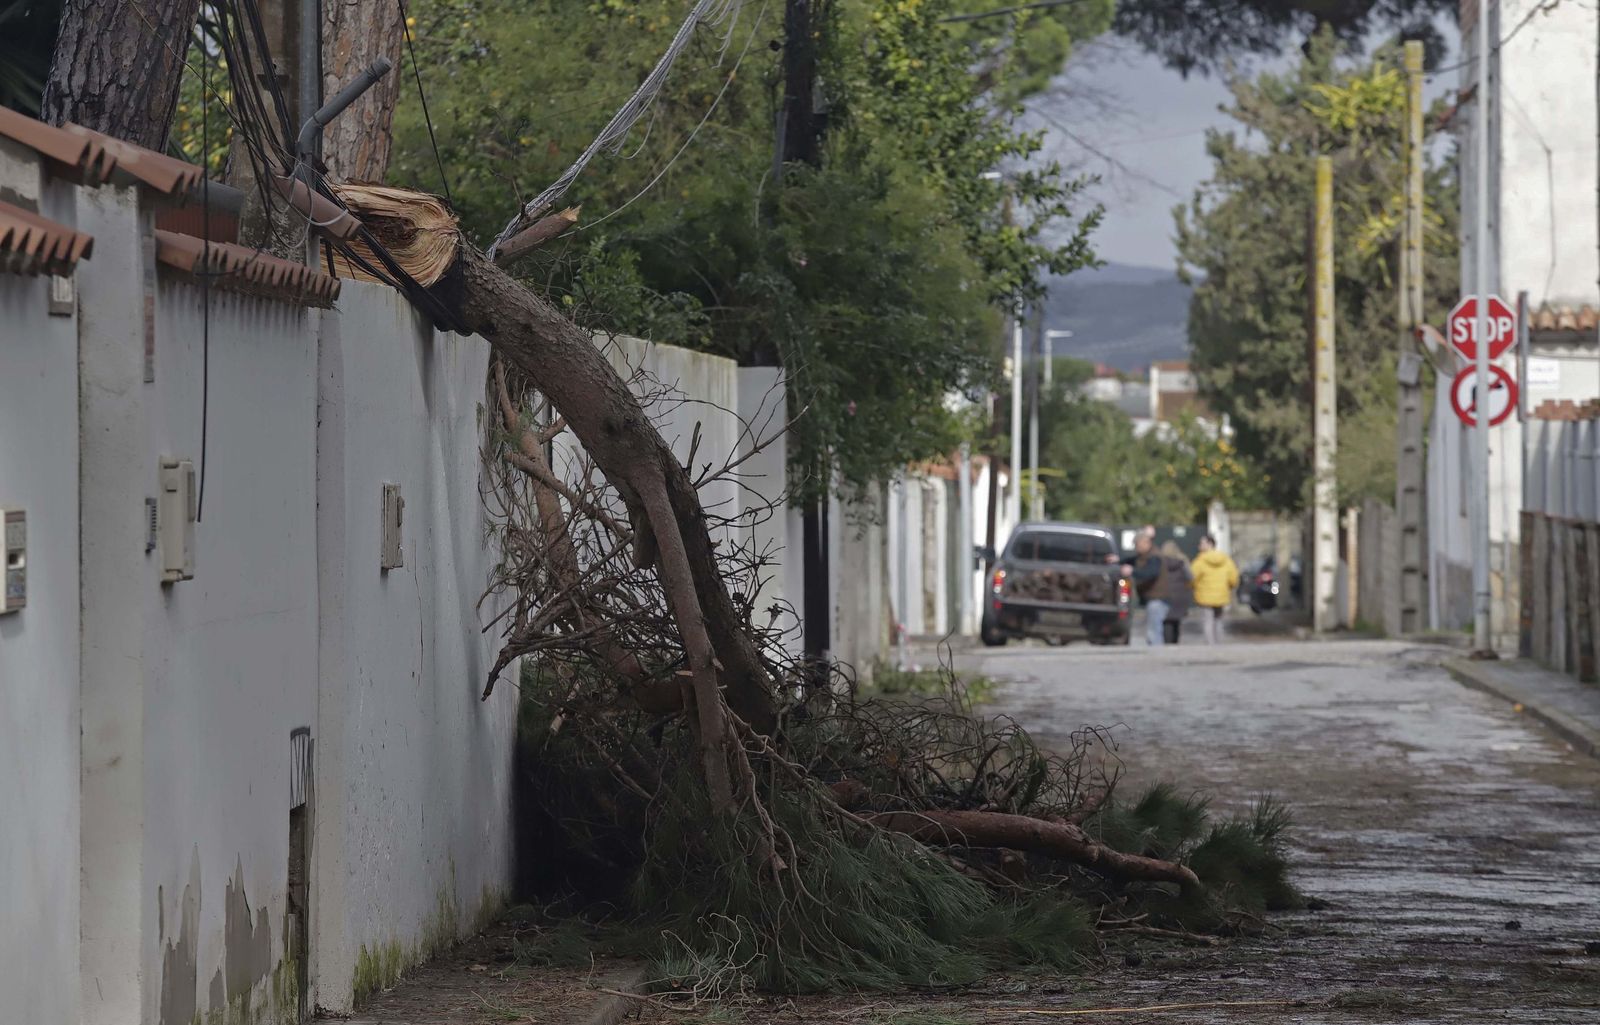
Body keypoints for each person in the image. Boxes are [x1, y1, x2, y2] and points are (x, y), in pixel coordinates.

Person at [1123, 534, 1174, 647]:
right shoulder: (1145, 556)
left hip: (1157, 599)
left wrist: (1132, 571)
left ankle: (1156, 656)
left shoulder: (1154, 557)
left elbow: (1149, 573)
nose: (1136, 547)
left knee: (1154, 632)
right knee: (1154, 630)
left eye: (1137, 544)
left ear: (1146, 543)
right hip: (1154, 599)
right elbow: (1132, 560)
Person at [1189, 533, 1240, 645]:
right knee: (1219, 621)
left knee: (1208, 621)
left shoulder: (1200, 561)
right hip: (1221, 595)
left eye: (1201, 543)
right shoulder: (1226, 560)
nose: (1199, 546)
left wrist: (1194, 587)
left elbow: (1191, 577)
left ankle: (1210, 644)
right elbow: (1233, 578)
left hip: (1204, 596)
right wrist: (1229, 587)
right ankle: (1219, 643)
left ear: (1209, 544)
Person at [1160, 540, 1192, 645]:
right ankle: (1175, 642)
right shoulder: (1182, 563)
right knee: (1176, 620)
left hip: (1165, 594)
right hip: (1180, 595)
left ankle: (1167, 642)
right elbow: (1190, 577)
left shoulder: (1160, 563)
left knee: (1166, 620)